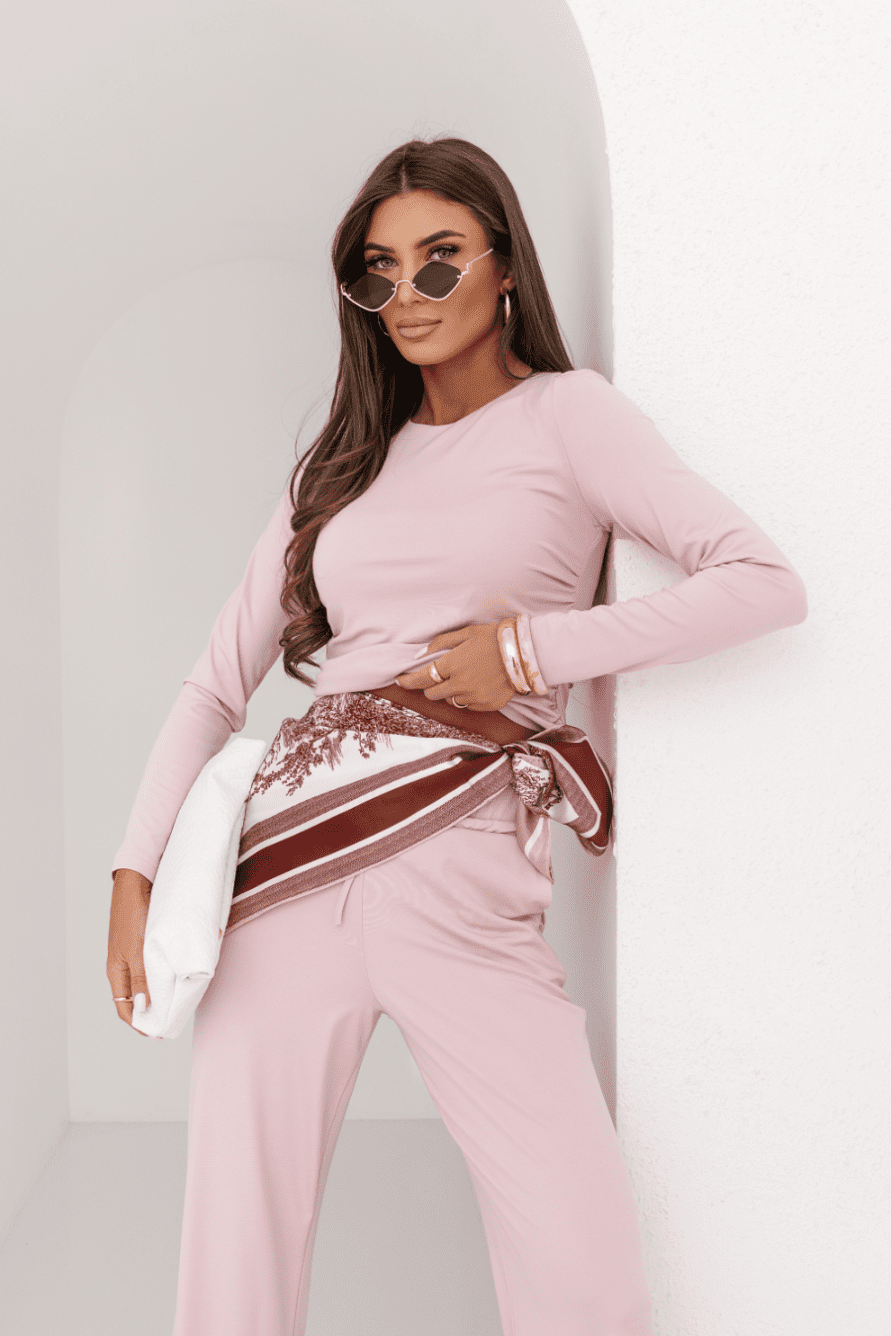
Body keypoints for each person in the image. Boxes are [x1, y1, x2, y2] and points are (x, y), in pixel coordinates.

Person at [107, 136, 807, 1336]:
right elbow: (216, 683)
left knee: (585, 1277)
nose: (408, 295)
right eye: (377, 272)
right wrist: (133, 869)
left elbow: (760, 582)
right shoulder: (339, 465)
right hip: (286, 868)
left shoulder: (570, 418)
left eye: (439, 260)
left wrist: (530, 653)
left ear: (505, 266)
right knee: (234, 1269)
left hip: (467, 860)